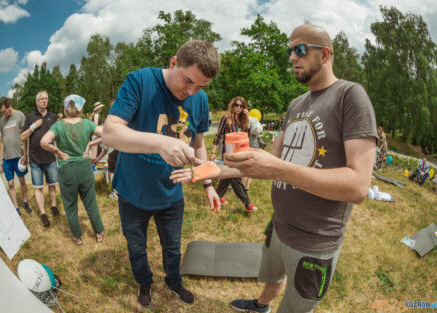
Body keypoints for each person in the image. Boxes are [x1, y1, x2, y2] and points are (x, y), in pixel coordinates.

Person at [171, 24, 377, 313]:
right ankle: (261, 305)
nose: (292, 57)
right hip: (279, 224)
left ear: (326, 54)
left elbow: (358, 186)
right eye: (290, 50)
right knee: (273, 276)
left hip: (314, 241)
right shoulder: (296, 104)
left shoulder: (350, 96)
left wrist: (278, 169)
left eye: (301, 50)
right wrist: (213, 171)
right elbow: (263, 161)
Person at [102, 40, 220, 308]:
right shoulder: (140, 81)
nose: (191, 91)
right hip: (133, 191)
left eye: (201, 86)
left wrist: (208, 184)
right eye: (188, 81)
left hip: (170, 194)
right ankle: (144, 283)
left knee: (173, 246)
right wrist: (160, 142)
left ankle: (174, 281)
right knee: (136, 247)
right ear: (173, 62)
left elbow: (199, 144)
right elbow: (110, 132)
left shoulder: (198, 99)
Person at [40, 95, 104, 246]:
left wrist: (57, 152)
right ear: (80, 109)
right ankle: (99, 232)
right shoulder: (88, 123)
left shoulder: (58, 125)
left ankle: (77, 236)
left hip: (66, 169)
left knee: (70, 206)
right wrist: (90, 144)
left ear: (65, 109)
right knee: (91, 203)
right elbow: (107, 133)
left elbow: (43, 142)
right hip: (84, 168)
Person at [210, 96, 257, 211]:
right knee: (235, 177)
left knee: (227, 176)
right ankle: (247, 204)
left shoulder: (242, 119)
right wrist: (213, 151)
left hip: (239, 152)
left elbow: (246, 135)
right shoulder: (226, 118)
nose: (239, 108)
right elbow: (219, 134)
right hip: (229, 152)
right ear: (233, 105)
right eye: (237, 105)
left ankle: (218, 196)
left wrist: (248, 118)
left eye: (241, 106)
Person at [20, 91, 59, 227]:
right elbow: (22, 137)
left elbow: (58, 135)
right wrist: (34, 126)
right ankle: (43, 213)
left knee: (52, 184)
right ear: (37, 102)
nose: (44, 101)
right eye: (41, 99)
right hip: (35, 159)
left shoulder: (53, 117)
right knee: (38, 187)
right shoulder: (30, 117)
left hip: (50, 158)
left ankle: (54, 206)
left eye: (46, 99)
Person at [0, 98, 31, 215]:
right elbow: (2, 140)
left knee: (22, 180)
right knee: (11, 183)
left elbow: (25, 136)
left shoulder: (20, 116)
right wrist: (1, 158)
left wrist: (25, 154)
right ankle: (16, 209)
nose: (3, 114)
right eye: (2, 112)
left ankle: (25, 203)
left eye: (4, 111)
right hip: (7, 158)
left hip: (19, 156)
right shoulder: (2, 120)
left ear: (9, 107)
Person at [106, 98, 118, 200]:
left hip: (114, 147)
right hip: (122, 146)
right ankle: (117, 191)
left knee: (112, 171)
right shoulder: (124, 114)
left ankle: (114, 192)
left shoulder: (109, 116)